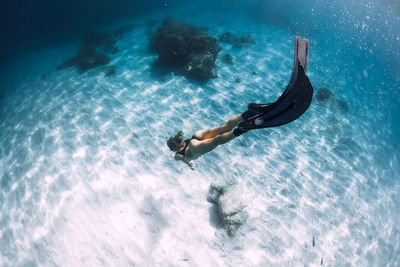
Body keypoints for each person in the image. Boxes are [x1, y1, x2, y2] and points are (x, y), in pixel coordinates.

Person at [167, 37, 314, 170]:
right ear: (177, 140)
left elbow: (185, 160)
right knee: (223, 126)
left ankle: (241, 130)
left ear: (174, 149)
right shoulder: (187, 139)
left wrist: (191, 164)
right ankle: (247, 114)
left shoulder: (177, 155)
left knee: (217, 141)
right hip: (195, 136)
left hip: (192, 150)